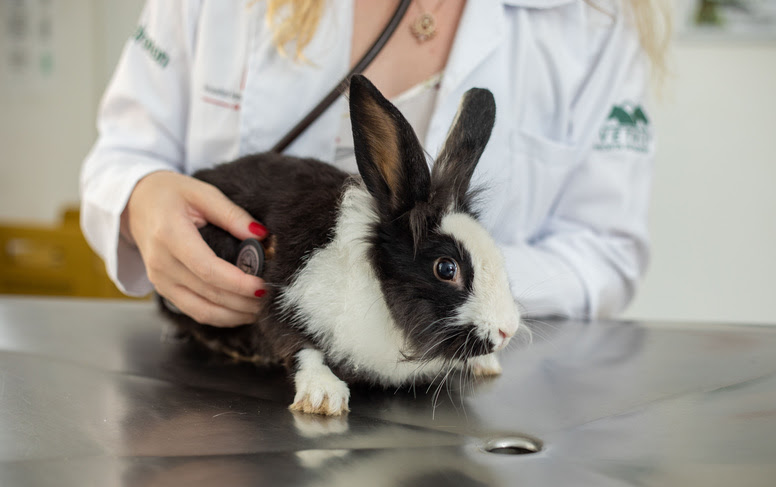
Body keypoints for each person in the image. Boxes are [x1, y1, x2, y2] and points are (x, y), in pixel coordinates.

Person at [80, 0, 671, 328]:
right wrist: (141, 200)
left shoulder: (593, 20)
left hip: (461, 398)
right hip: (234, 381)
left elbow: (603, 252)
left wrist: (429, 285)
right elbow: (124, 158)